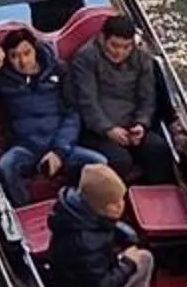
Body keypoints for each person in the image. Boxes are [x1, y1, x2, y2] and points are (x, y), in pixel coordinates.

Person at [0, 27, 99, 201]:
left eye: (26, 53)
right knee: (6, 167)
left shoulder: (59, 70)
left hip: (59, 145)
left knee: (99, 163)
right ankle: (23, 210)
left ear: (35, 50)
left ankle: (77, 204)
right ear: (6, 57)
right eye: (14, 56)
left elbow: (73, 114)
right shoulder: (2, 78)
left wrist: (59, 151)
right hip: (26, 147)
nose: (23, 61)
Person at [66, 14, 177, 182]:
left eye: (126, 47)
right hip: (96, 130)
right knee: (119, 159)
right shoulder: (85, 58)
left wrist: (141, 124)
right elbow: (87, 102)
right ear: (103, 38)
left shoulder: (142, 57)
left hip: (131, 126)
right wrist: (108, 129)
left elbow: (147, 97)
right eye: (115, 46)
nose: (120, 52)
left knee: (158, 148)